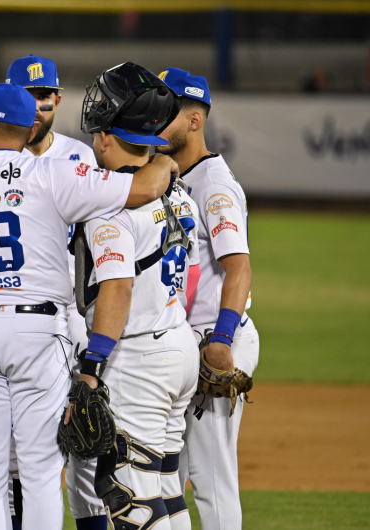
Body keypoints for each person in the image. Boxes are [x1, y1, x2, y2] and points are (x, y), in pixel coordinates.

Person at [0, 82, 177, 530]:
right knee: (40, 471)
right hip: (36, 331)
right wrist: (168, 161)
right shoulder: (51, 173)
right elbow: (141, 188)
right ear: (29, 128)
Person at [67, 62, 200, 530]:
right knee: (165, 490)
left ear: (105, 137)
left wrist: (91, 368)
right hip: (178, 345)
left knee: (130, 502)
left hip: (139, 356)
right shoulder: (178, 190)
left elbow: (117, 288)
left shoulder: (112, 205)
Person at [157, 68, 260, 530]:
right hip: (185, 345)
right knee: (167, 475)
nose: (156, 117)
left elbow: (238, 267)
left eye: (167, 109)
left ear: (194, 120)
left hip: (215, 343)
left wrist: (220, 340)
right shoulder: (174, 176)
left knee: (210, 474)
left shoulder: (214, 183)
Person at [3, 55, 97, 530]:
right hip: (15, 311)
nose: (37, 108)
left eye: (45, 98)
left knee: (85, 441)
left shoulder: (79, 157)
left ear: (58, 100)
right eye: (26, 97)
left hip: (73, 313)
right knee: (15, 452)